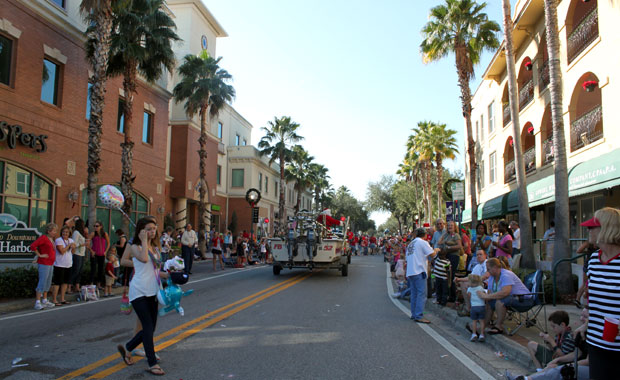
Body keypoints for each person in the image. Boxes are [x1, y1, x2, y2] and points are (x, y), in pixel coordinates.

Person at [118, 217, 168, 376]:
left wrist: (171, 275)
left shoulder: (155, 248)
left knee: (151, 328)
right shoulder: (134, 246)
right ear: (141, 231)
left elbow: (154, 270)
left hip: (153, 291)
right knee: (147, 326)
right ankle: (152, 362)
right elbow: (144, 259)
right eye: (148, 229)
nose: (152, 231)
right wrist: (143, 240)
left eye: (154, 228)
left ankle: (128, 347)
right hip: (138, 291)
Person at [584, 208, 620, 379]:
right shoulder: (593, 260)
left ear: (607, 229)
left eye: (592, 227)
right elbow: (594, 300)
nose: (588, 230)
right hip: (595, 341)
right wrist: (587, 321)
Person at [505, 308, 591, 380]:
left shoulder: (570, 336)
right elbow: (577, 352)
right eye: (581, 315)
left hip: (574, 365)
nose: (581, 318)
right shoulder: (576, 333)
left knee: (554, 367)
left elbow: (564, 355)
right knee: (531, 344)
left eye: (585, 317)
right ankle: (538, 372)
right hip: (560, 359)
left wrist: (552, 342)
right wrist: (548, 342)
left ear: (562, 325)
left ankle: (526, 378)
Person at [478, 257, 532, 335]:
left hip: (523, 300)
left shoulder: (506, 274)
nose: (487, 271)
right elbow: (489, 293)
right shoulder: (492, 277)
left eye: (488, 269)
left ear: (495, 267)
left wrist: (487, 296)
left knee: (500, 301)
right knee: (489, 302)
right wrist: (484, 296)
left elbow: (505, 292)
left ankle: (499, 326)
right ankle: (483, 325)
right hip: (511, 298)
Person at [406, 227, 439, 323]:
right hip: (419, 270)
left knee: (414, 294)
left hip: (411, 271)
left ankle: (414, 314)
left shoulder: (411, 244)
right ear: (425, 235)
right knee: (421, 294)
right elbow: (432, 254)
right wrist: (436, 250)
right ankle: (419, 315)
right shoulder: (423, 242)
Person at [31, 223, 58, 310]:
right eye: (53, 231)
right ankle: (37, 302)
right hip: (44, 263)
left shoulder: (51, 239)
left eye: (55, 231)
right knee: (42, 281)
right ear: (49, 231)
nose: (55, 232)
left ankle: (45, 300)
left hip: (50, 263)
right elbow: (33, 246)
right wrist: (40, 255)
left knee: (48, 282)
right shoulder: (44, 238)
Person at [575, 218, 600, 308]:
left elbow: (579, 250)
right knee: (587, 283)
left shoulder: (588, 243)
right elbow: (578, 251)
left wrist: (587, 252)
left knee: (586, 283)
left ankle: (578, 299)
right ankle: (579, 300)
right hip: (589, 263)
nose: (588, 230)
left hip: (588, 262)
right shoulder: (590, 244)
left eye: (591, 228)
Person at [456, 249, 490, 315]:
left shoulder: (487, 263)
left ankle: (468, 308)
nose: (479, 256)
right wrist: (459, 279)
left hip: (486, 285)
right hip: (478, 284)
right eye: (477, 255)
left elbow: (486, 276)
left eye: (481, 254)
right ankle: (470, 307)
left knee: (465, 285)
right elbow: (470, 278)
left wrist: (474, 281)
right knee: (462, 283)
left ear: (485, 255)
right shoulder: (477, 266)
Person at [437, 220, 463, 302]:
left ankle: (453, 296)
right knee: (446, 275)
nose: (450, 227)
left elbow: (459, 246)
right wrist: (444, 235)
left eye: (451, 225)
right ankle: (447, 294)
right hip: (446, 257)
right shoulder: (446, 235)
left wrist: (449, 247)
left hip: (453, 256)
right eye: (448, 226)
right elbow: (439, 242)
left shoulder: (456, 235)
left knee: (451, 275)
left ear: (455, 227)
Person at [51, 225, 75, 306]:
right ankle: (54, 299)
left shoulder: (71, 240)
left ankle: (62, 298)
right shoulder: (59, 240)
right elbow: (62, 251)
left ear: (69, 233)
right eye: (64, 232)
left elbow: (73, 252)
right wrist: (69, 245)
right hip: (59, 264)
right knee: (57, 283)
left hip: (68, 264)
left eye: (67, 232)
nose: (65, 233)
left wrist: (73, 247)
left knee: (65, 282)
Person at [70, 219, 88, 294]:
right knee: (75, 270)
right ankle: (69, 285)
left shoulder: (82, 233)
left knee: (80, 271)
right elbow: (74, 244)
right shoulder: (76, 233)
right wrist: (82, 244)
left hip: (82, 254)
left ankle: (77, 286)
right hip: (77, 253)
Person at [467, 274, 486, 342]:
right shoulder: (480, 288)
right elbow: (484, 294)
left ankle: (474, 334)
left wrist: (468, 306)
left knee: (474, 321)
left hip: (474, 306)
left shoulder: (469, 289)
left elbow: (469, 297)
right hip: (481, 306)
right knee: (481, 321)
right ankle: (482, 334)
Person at [90, 221, 110, 289]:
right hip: (95, 254)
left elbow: (108, 243)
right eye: (94, 226)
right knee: (93, 269)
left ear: (101, 226)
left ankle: (99, 284)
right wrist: (91, 251)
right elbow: (87, 243)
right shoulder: (93, 234)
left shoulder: (104, 234)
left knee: (100, 270)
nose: (95, 227)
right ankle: (91, 284)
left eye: (97, 226)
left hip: (102, 254)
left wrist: (106, 251)